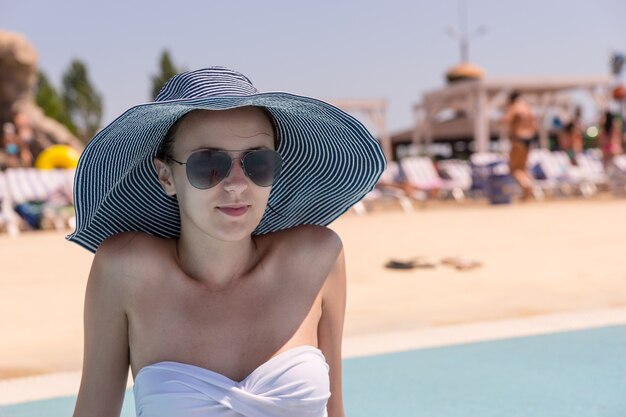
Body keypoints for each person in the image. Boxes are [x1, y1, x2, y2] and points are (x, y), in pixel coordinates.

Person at [69, 67, 385, 417]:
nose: (237, 184)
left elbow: (335, 410)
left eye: (258, 162)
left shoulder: (318, 257)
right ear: (166, 176)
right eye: (209, 164)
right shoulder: (125, 271)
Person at [501, 91, 538, 200]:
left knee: (514, 169)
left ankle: (526, 185)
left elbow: (506, 120)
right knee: (523, 167)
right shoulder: (528, 108)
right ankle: (525, 195)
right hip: (529, 139)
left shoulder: (514, 107)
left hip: (518, 139)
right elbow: (535, 126)